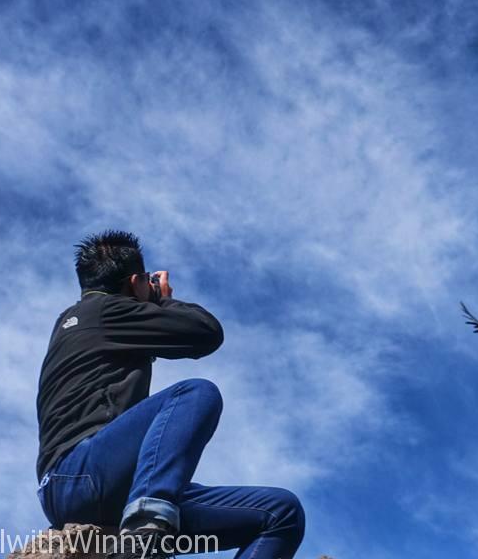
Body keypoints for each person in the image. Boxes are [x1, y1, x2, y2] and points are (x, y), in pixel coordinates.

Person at [35, 230, 305, 559]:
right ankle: (145, 529)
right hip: (79, 479)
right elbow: (205, 332)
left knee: (280, 513)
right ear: (135, 281)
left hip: (105, 488)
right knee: (194, 393)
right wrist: (161, 299)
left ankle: (146, 522)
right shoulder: (105, 312)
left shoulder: (82, 320)